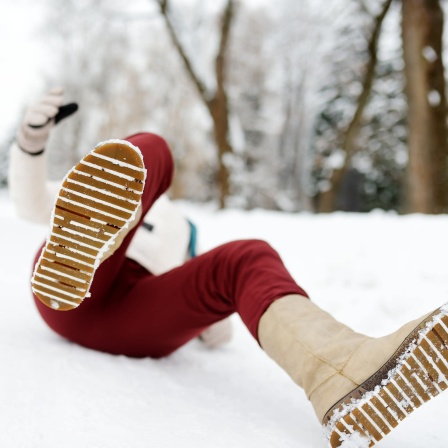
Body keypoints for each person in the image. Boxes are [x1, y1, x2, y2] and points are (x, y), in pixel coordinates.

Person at [9, 88, 448, 448]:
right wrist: (32, 140)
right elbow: (30, 205)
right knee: (154, 147)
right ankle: (88, 250)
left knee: (246, 255)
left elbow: (214, 329)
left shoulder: (183, 234)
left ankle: (340, 371)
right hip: (72, 286)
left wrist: (208, 315)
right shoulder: (99, 199)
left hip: (134, 314)